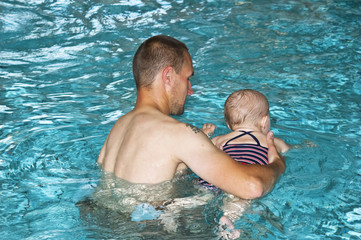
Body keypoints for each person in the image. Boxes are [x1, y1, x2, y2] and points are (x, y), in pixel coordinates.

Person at [97, 35, 285, 204]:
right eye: (187, 78)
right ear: (168, 76)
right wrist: (277, 163)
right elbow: (252, 187)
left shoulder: (118, 127)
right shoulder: (179, 134)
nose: (190, 89)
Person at [199, 89, 289, 238]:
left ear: (228, 124)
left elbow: (202, 150)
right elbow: (288, 151)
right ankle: (228, 217)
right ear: (264, 121)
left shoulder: (220, 139)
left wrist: (206, 134)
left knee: (202, 194)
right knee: (239, 199)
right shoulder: (272, 141)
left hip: (217, 175)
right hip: (246, 175)